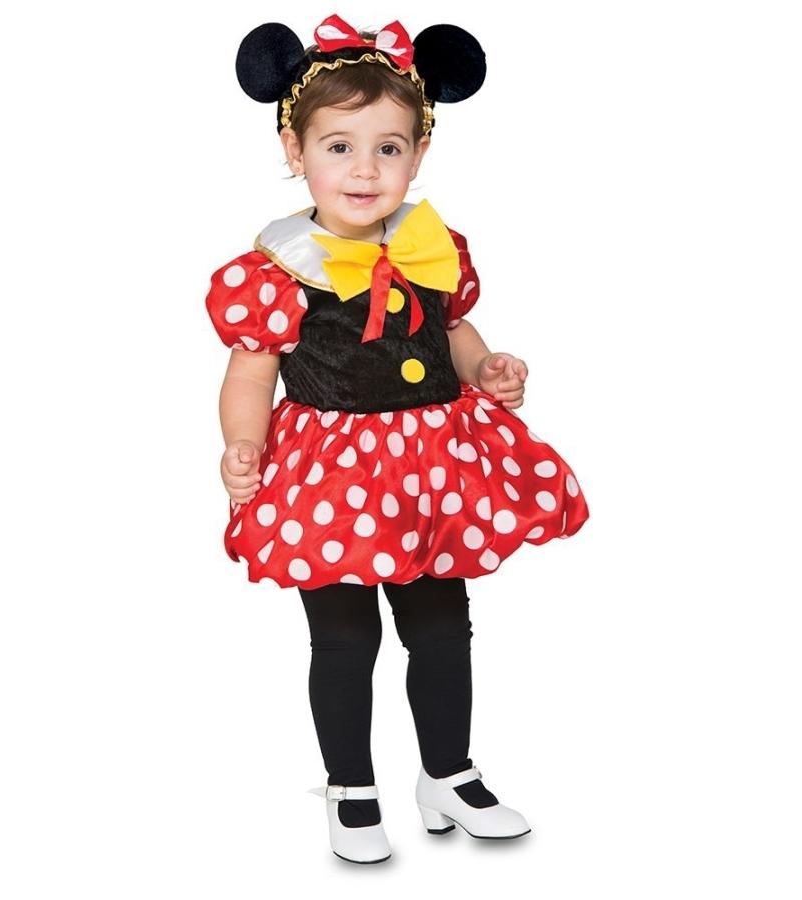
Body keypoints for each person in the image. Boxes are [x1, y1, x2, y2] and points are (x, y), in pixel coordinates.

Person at [204, 14, 590, 864]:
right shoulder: (280, 268)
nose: (365, 169)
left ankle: (448, 773)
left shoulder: (428, 245)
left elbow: (453, 329)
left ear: (419, 153)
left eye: (389, 147)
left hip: (432, 472)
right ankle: (351, 786)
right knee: (346, 638)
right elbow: (250, 373)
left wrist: (486, 367)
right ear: (294, 149)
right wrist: (242, 446)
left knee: (443, 627)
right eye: (339, 147)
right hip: (330, 480)